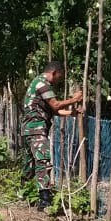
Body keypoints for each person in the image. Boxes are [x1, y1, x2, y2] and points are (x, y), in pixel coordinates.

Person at [21, 60, 84, 210]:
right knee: (43, 159)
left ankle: (23, 192)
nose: (58, 81)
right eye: (59, 77)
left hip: (30, 129)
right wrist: (74, 99)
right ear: (54, 73)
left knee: (30, 163)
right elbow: (55, 105)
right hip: (36, 128)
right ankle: (44, 199)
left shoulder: (37, 83)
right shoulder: (43, 84)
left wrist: (72, 113)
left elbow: (54, 110)